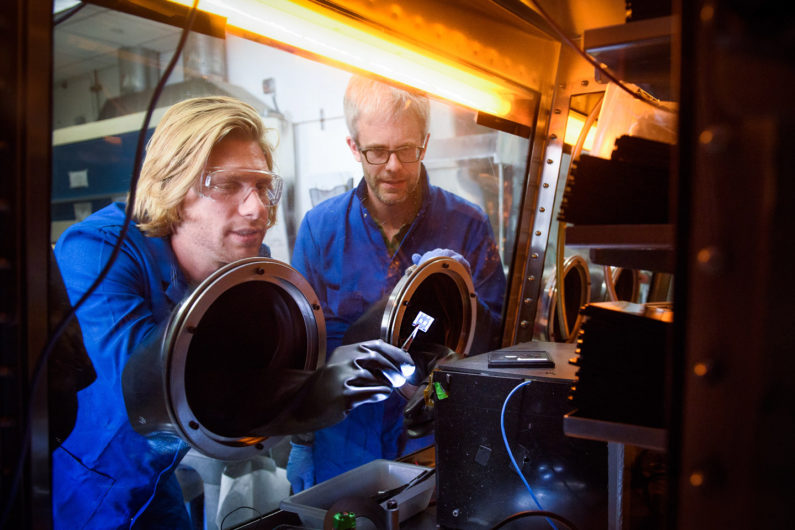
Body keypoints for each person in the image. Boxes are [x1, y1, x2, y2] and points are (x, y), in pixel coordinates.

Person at [51, 96, 412, 529]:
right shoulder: (98, 252)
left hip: (156, 475)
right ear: (173, 186)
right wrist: (302, 397)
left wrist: (316, 379)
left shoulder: (241, 262)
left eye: (261, 186)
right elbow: (144, 395)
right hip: (78, 487)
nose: (257, 209)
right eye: (227, 185)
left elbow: (253, 364)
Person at [287, 76, 507, 491]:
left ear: (424, 142)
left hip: (433, 441)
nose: (393, 165)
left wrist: (464, 305)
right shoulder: (321, 230)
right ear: (354, 147)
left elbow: (496, 346)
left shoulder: (467, 224)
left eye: (407, 149)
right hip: (344, 446)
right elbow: (303, 353)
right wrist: (302, 439)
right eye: (377, 150)